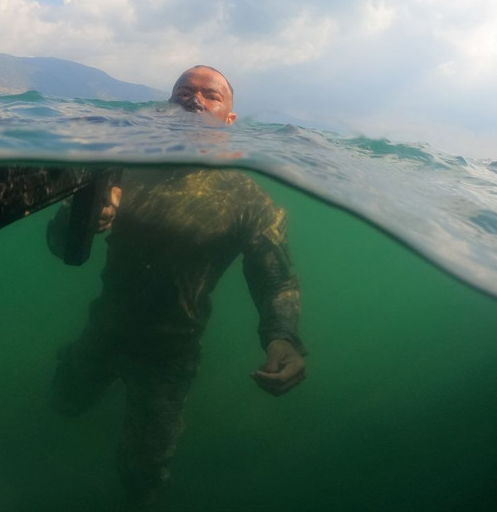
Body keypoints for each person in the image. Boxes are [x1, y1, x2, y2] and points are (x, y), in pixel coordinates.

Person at [47, 65, 307, 506]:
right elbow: (59, 244)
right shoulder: (121, 171)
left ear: (229, 120)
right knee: (61, 404)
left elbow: (276, 277)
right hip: (103, 331)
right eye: (184, 92)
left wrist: (283, 337)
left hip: (169, 357)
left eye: (210, 95)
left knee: (142, 474)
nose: (194, 99)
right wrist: (83, 218)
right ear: (165, 107)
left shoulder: (247, 198)